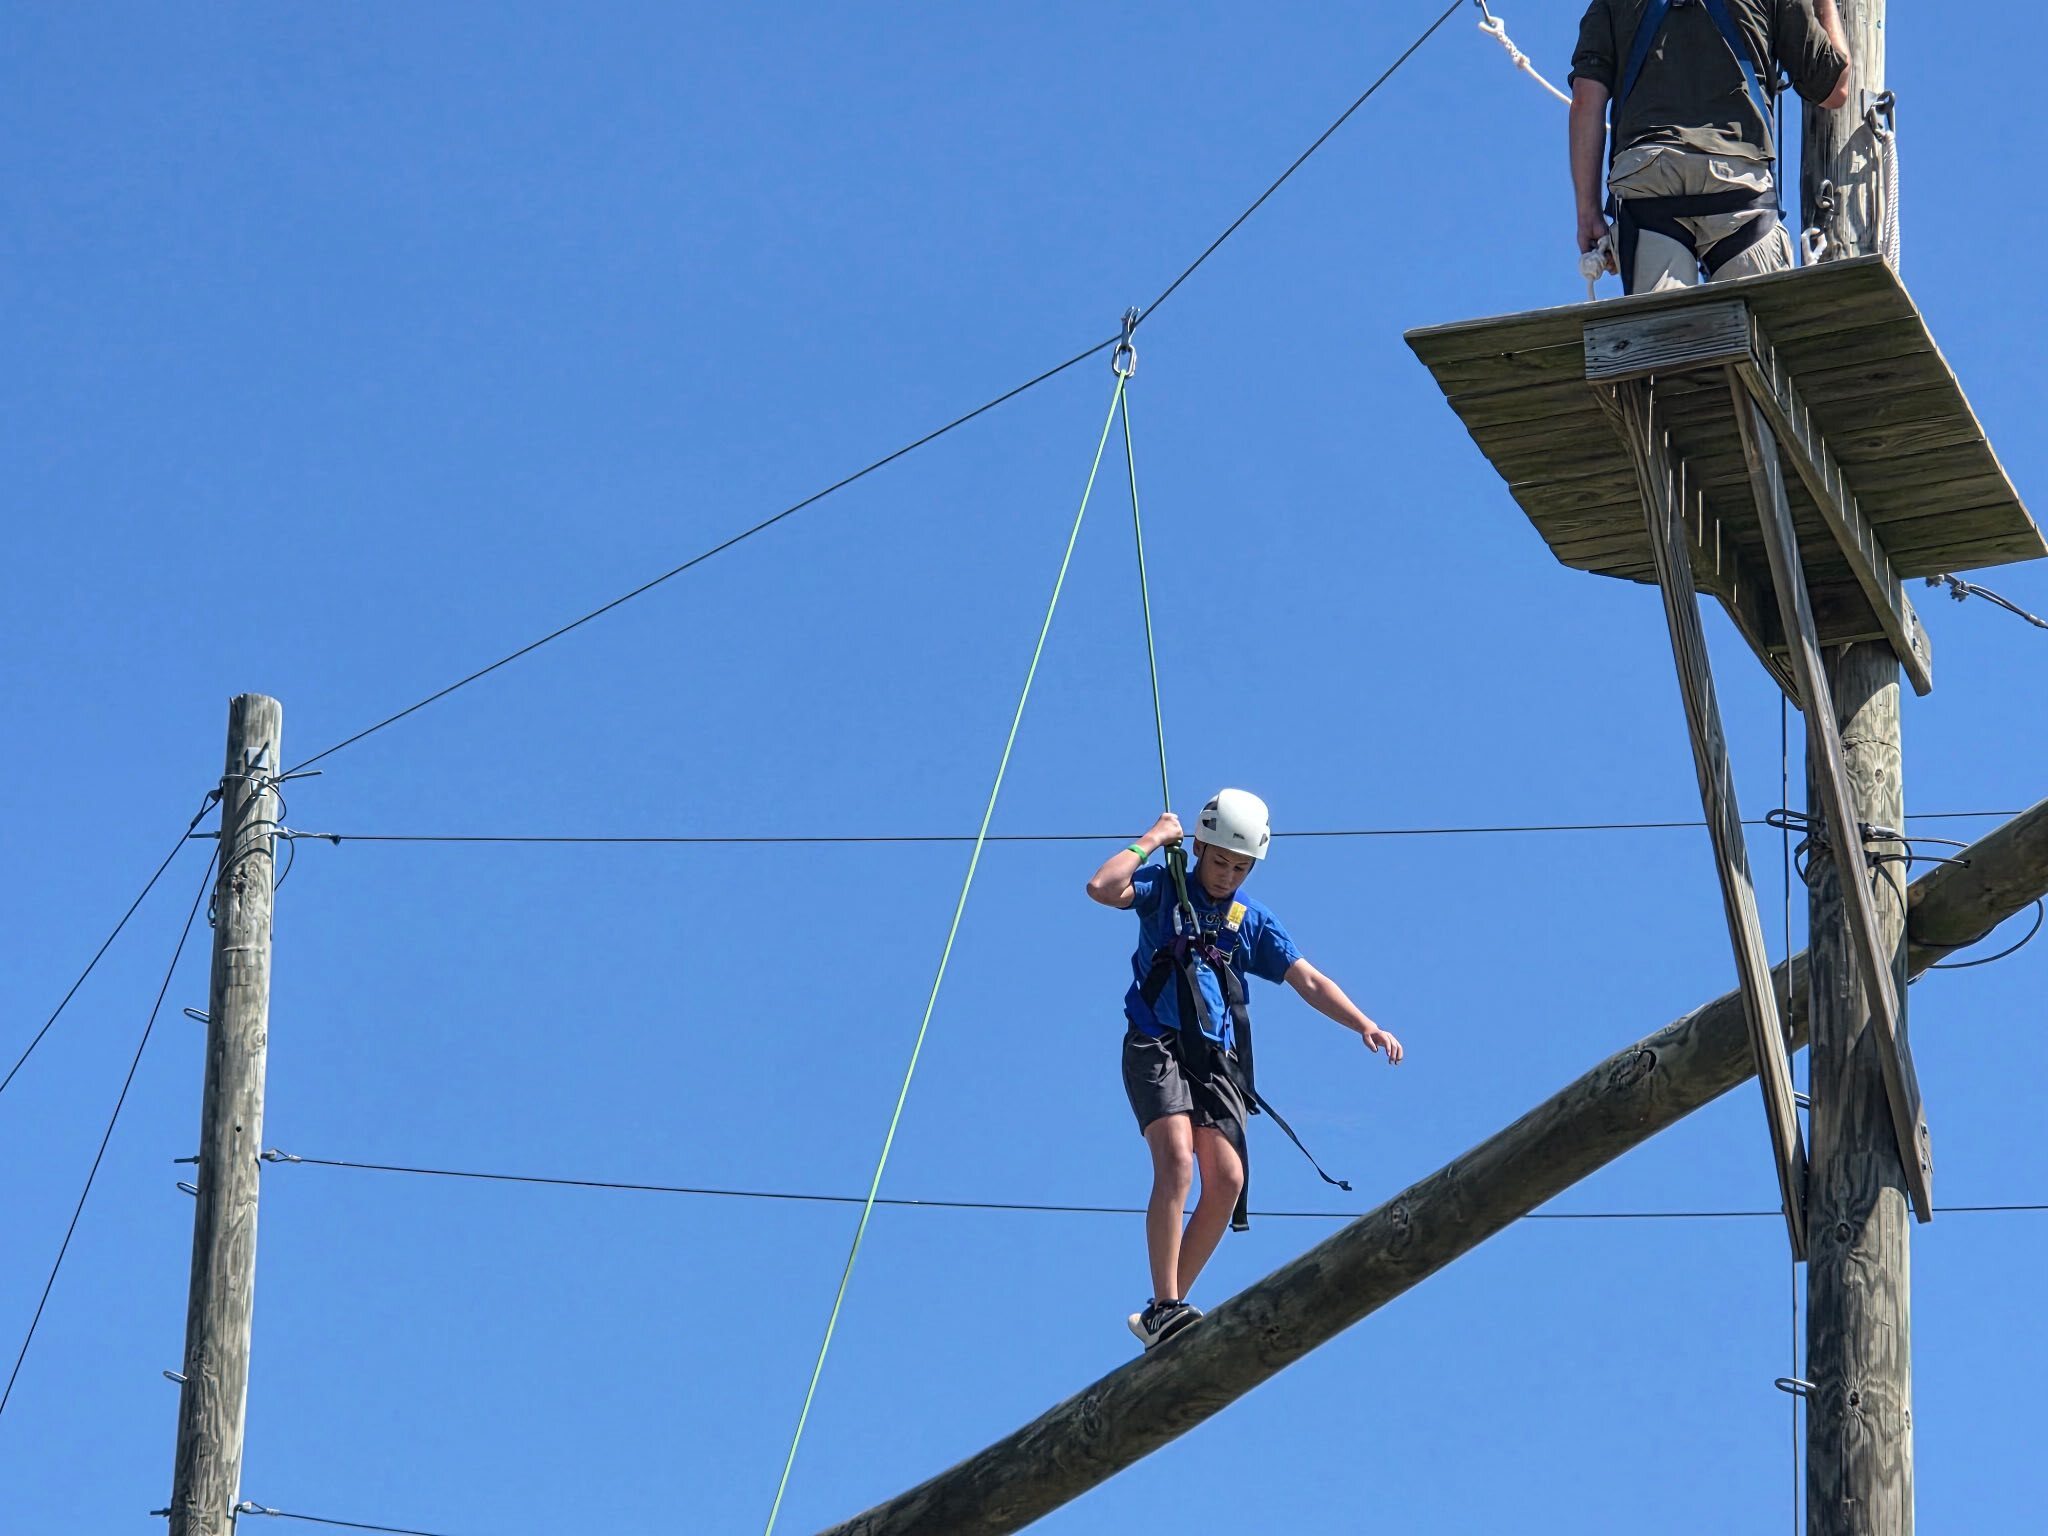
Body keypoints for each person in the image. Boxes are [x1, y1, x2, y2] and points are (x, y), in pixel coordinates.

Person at [1086, 788, 1403, 1349]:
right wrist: (1154, 840)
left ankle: (1162, 1312)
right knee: (1177, 1161)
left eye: (1240, 866)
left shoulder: (1249, 920)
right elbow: (1102, 888)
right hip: (1157, 1044)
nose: (1227, 874)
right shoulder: (1168, 887)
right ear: (1201, 846)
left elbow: (1309, 979)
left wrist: (1364, 1023)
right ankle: (1166, 1302)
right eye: (1219, 860)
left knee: (1227, 1180)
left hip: (1217, 1062)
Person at [1569, 0, 1852, 295]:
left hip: (1649, 181)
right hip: (1737, 180)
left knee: (1663, 336)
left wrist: (1588, 211)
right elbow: (1833, 88)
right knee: (1753, 330)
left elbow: (1586, 100)